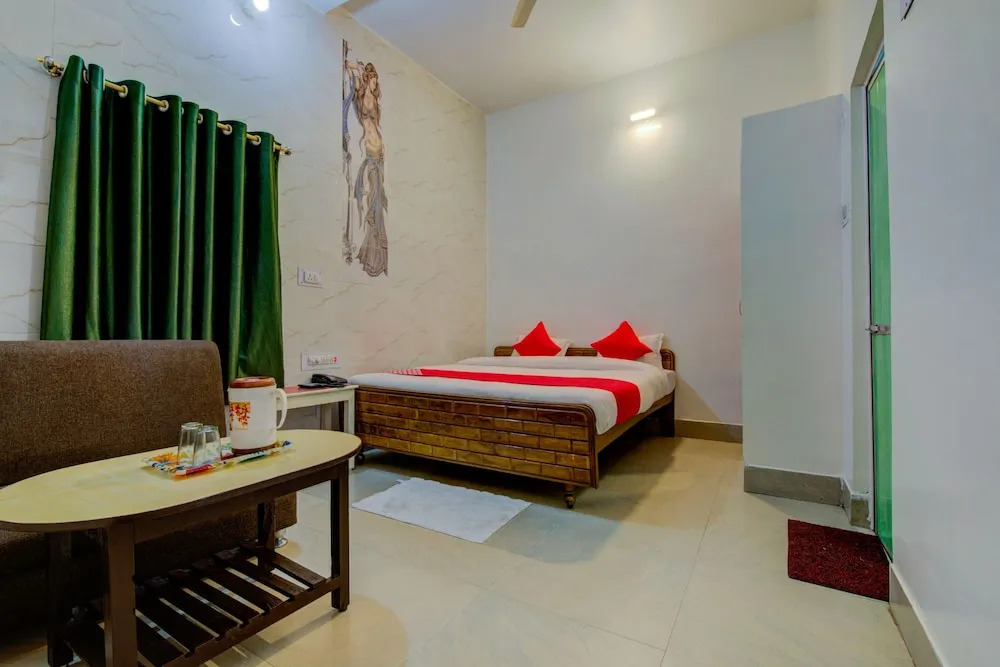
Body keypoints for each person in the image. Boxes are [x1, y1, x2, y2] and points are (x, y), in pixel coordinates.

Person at [344, 58, 388, 277]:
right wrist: (357, 68)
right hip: (370, 154)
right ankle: (370, 251)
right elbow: (352, 68)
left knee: (377, 199)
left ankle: (375, 251)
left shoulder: (373, 99)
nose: (374, 83)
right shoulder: (363, 96)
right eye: (373, 79)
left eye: (376, 80)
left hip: (378, 153)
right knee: (371, 200)